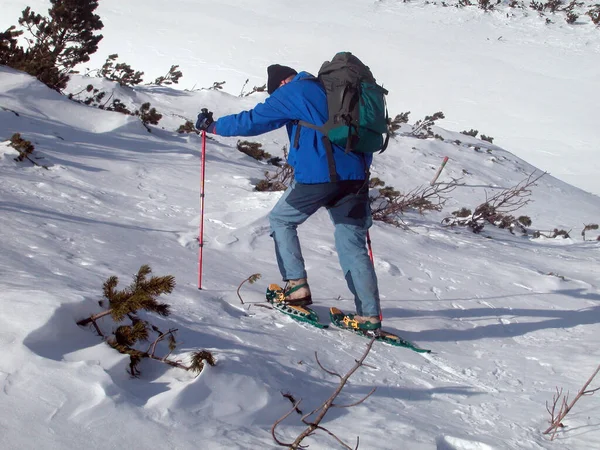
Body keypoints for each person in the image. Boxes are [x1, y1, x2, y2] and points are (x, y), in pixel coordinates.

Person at [196, 64, 382, 331]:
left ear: (281, 82)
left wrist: (212, 127)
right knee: (352, 245)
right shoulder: (334, 91)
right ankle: (370, 315)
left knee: (281, 220)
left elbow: (252, 120)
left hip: (319, 176)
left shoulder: (294, 92)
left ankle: (296, 287)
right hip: (356, 179)